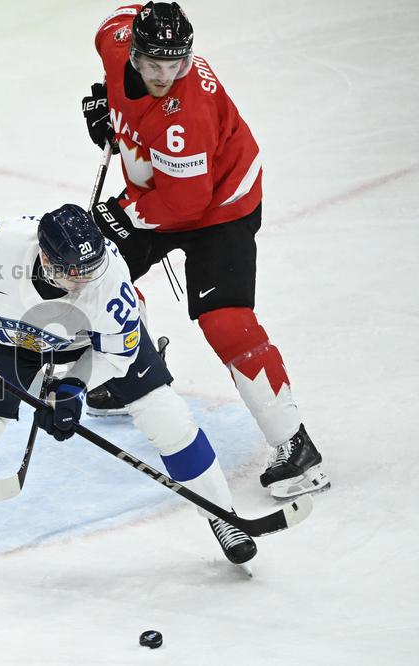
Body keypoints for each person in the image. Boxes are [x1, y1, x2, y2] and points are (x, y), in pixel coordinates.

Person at [0, 203, 257, 573]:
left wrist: (74, 387)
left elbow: (116, 354)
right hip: (11, 339)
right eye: (74, 272)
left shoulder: (110, 285)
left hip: (90, 345)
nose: (85, 280)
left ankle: (221, 514)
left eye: (91, 268)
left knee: (165, 415)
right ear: (45, 258)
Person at [81, 2, 329, 499]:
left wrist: (123, 217)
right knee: (94, 270)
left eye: (175, 64)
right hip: (165, 189)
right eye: (153, 64)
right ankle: (130, 372)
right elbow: (123, 16)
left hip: (221, 206)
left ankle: (295, 448)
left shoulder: (187, 113)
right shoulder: (116, 39)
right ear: (132, 51)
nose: (163, 76)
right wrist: (107, 104)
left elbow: (185, 205)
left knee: (225, 320)